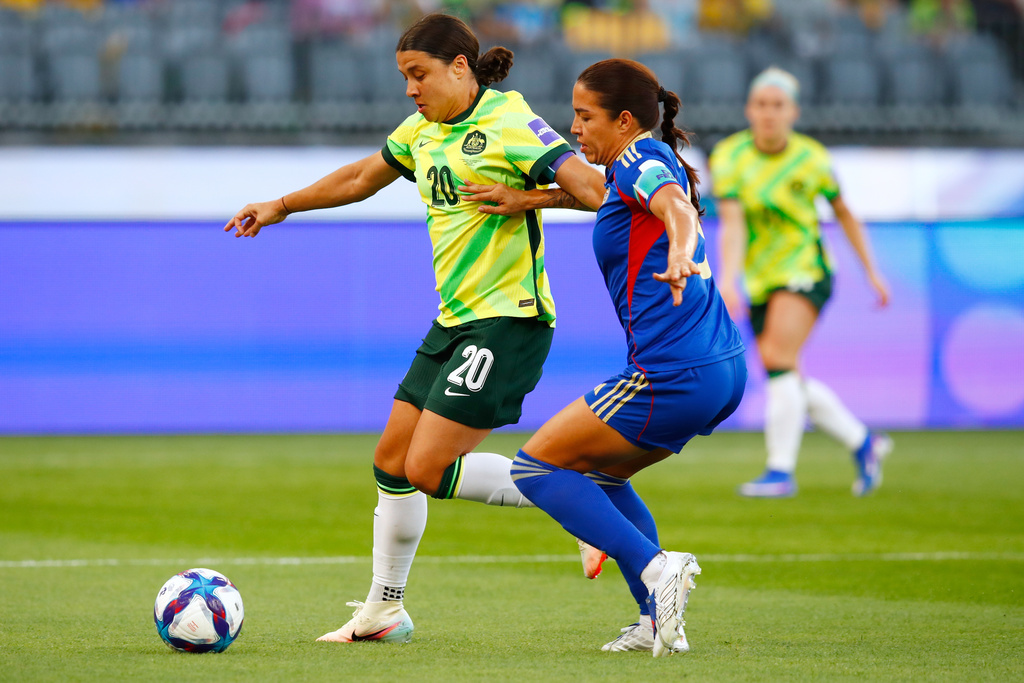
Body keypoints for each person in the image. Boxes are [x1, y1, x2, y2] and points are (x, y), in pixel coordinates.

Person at [224, 12, 605, 644]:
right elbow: (359, 178)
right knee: (392, 462)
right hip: (454, 323)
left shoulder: (511, 122)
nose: (410, 89)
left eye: (418, 74)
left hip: (507, 320)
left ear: (460, 68)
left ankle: (581, 504)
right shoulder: (421, 131)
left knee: (429, 466)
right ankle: (384, 610)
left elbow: (594, 191)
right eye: (405, 76)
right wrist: (282, 205)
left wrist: (528, 198)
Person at [462, 58, 746, 656]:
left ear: (623, 120)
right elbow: (613, 202)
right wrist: (529, 198)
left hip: (670, 372)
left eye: (585, 116)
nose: (575, 129)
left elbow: (677, 210)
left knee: (536, 467)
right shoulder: (630, 168)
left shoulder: (644, 161)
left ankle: (655, 567)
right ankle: (653, 622)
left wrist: (680, 249)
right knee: (601, 473)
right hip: (719, 368)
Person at [708, 67, 892, 499]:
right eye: (761, 105)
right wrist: (729, 279)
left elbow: (844, 213)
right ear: (749, 109)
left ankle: (779, 472)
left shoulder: (812, 158)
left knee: (776, 356)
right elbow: (732, 224)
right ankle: (864, 442)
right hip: (761, 278)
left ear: (793, 111)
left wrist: (871, 272)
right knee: (784, 374)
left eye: (778, 105)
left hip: (807, 270)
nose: (769, 114)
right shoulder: (730, 157)